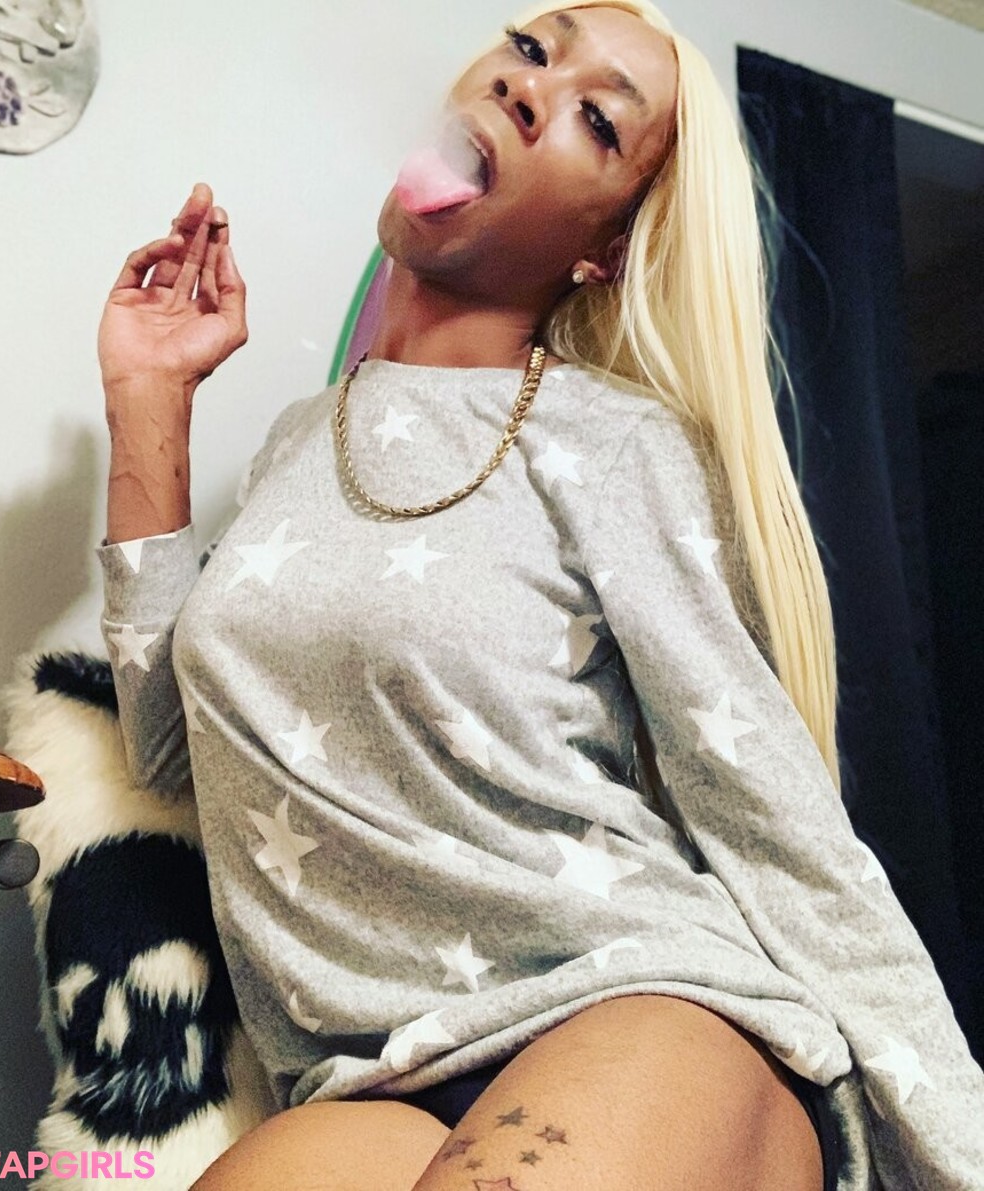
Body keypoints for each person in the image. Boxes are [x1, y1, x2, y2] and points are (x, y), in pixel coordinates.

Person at [95, 3, 984, 1189]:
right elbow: (171, 750)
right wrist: (150, 401)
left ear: (602, 250)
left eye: (599, 121)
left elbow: (777, 825)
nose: (531, 86)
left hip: (645, 1010)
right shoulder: (297, 447)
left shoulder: (614, 445)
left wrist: (957, 1143)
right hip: (373, 1074)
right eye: (531, 48)